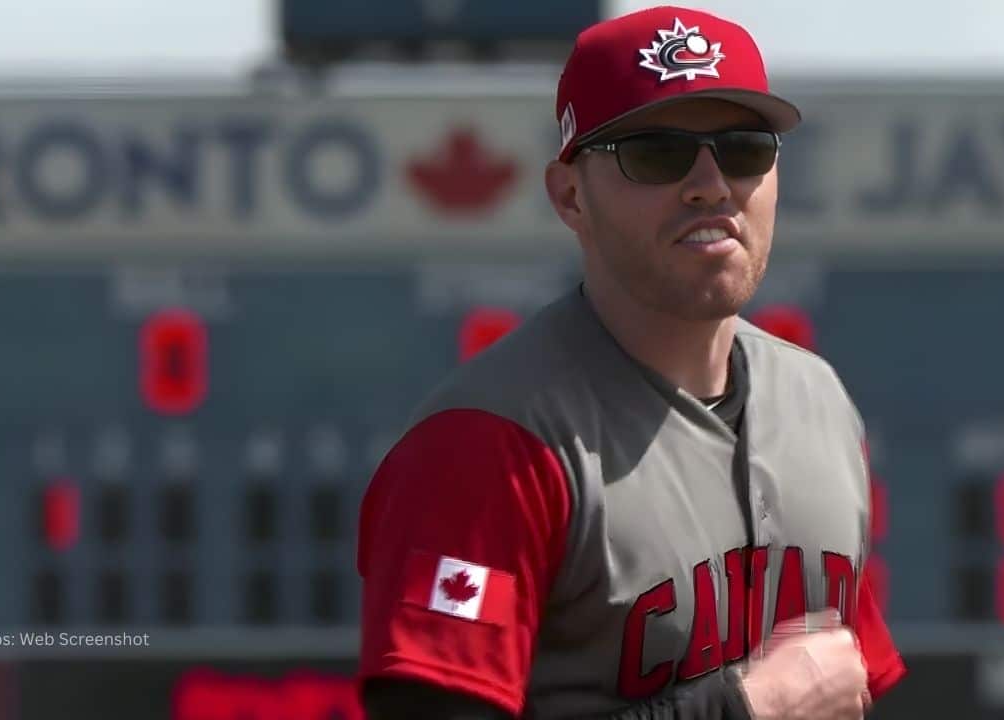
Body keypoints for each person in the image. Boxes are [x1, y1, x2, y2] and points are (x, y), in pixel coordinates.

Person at [356, 6, 906, 719]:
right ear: (571, 195)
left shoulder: (819, 403)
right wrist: (741, 711)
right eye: (656, 152)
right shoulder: (487, 445)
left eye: (743, 148)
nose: (711, 182)